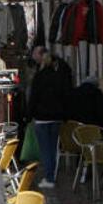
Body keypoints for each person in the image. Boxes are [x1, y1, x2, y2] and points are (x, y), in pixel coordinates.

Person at [28, 48, 74, 187]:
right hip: (56, 118)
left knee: (45, 149)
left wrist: (29, 115)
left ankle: (49, 178)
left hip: (42, 118)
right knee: (53, 148)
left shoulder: (39, 77)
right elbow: (66, 96)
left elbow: (33, 98)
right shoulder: (59, 77)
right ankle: (51, 176)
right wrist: (65, 115)